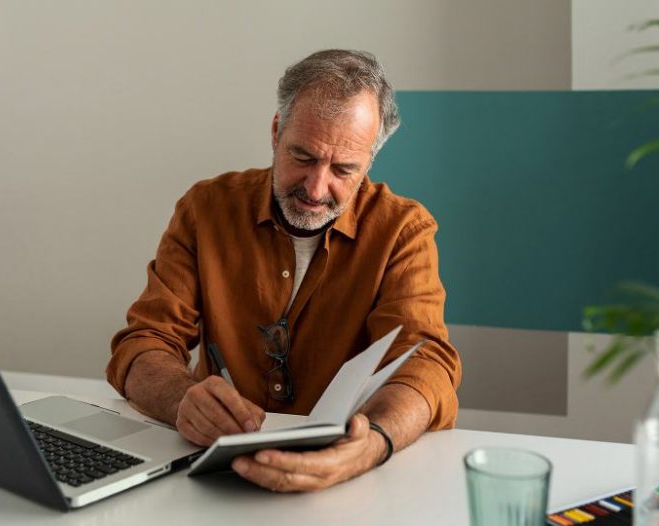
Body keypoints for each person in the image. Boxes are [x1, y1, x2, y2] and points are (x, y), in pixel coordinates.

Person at [107, 49, 461, 492]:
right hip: (210, 475)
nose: (316, 188)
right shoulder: (205, 208)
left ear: (370, 160)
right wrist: (182, 399)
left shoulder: (404, 232)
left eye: (343, 169)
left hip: (347, 487)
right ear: (277, 132)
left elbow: (426, 364)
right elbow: (143, 343)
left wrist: (372, 445)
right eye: (304, 156)